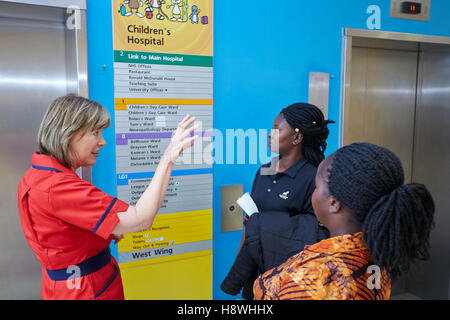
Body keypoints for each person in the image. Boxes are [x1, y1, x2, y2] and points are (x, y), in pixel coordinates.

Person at [17, 94, 198, 300]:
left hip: (69, 285)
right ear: (67, 134)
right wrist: (168, 158)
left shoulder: (38, 175)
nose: (102, 142)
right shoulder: (58, 187)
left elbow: (61, 234)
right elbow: (141, 218)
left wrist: (104, 232)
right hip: (85, 289)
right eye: (95, 133)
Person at [253, 142, 435, 300]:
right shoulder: (380, 251)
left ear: (333, 202)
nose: (313, 194)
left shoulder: (315, 279)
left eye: (316, 187)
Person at [221, 103, 334, 299]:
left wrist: (267, 224)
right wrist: (240, 267)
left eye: (276, 129)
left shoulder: (314, 177)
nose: (269, 134)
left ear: (297, 137)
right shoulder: (265, 170)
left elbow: (313, 235)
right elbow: (251, 224)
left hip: (289, 281)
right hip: (257, 276)